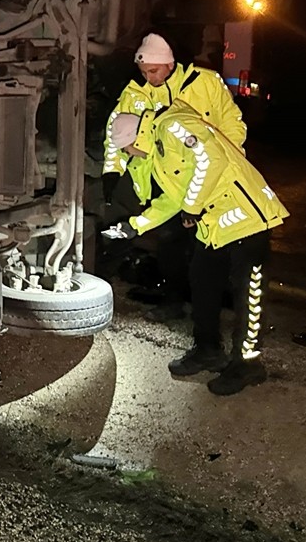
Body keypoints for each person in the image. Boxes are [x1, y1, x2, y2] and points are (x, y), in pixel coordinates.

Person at [102, 105, 287, 395]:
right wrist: (134, 225)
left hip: (248, 221)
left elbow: (211, 159)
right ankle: (207, 349)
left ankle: (247, 364)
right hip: (214, 229)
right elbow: (173, 200)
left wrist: (192, 206)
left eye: (127, 149)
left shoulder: (173, 126)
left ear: (136, 139)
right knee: (203, 287)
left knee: (248, 298)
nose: (129, 156)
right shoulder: (160, 156)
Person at [100, 32, 248, 322]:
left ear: (169, 64)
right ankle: (175, 301)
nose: (149, 77)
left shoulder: (204, 83)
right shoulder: (136, 93)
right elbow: (114, 132)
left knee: (209, 246)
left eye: (153, 71)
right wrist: (112, 169)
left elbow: (232, 124)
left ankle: (213, 304)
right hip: (164, 181)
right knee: (170, 244)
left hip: (207, 180)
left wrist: (229, 168)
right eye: (143, 72)